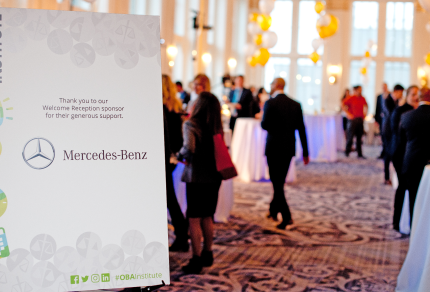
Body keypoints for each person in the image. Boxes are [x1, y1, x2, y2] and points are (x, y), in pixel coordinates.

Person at [177, 84, 223, 274]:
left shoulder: (191, 124)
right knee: (207, 215)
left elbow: (189, 148)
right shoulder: (216, 125)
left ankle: (196, 260)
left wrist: (178, 155)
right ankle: (208, 253)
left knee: (193, 218)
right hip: (214, 175)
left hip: (196, 176)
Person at [261, 78, 309, 230]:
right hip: (288, 148)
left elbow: (264, 125)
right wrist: (306, 152)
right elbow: (301, 129)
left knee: (277, 183)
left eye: (271, 84)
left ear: (276, 86)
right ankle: (273, 210)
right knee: (279, 181)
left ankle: (287, 216)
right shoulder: (295, 104)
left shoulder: (270, 103)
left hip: (273, 148)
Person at [161, 75, 188, 252]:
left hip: (162, 157)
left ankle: (182, 235)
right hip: (170, 158)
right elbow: (179, 138)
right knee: (169, 198)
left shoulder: (160, 107)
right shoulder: (176, 107)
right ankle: (181, 235)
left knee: (169, 198)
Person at [398, 87, 430, 226]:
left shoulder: (407, 116)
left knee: (413, 198)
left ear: (419, 97)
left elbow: (401, 143)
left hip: (411, 162)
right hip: (428, 163)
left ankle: (414, 229)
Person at [390, 85, 419, 231]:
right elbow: (396, 135)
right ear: (407, 95)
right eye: (413, 94)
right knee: (402, 187)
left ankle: (408, 221)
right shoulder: (400, 111)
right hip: (400, 155)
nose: (416, 97)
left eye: (417, 95)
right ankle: (396, 221)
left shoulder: (418, 112)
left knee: (411, 189)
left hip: (411, 157)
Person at [382, 84, 404, 185]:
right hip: (387, 130)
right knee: (387, 153)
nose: (402, 95)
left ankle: (394, 176)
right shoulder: (387, 100)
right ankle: (386, 177)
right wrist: (399, 106)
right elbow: (391, 115)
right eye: (401, 92)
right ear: (397, 91)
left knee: (393, 153)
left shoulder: (396, 101)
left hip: (394, 131)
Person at [342, 85, 368, 158]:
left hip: (360, 119)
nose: (361, 91)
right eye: (360, 90)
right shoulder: (351, 97)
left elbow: (366, 105)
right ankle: (347, 152)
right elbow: (343, 104)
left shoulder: (362, 98)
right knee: (350, 137)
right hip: (352, 120)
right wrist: (348, 114)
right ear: (356, 90)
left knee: (359, 138)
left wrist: (365, 114)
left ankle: (359, 153)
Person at [375, 83, 390, 159]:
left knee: (386, 136)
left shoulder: (390, 95)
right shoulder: (379, 96)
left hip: (388, 119)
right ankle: (383, 151)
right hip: (380, 119)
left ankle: (386, 152)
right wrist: (376, 120)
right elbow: (377, 108)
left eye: (385, 87)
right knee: (382, 135)